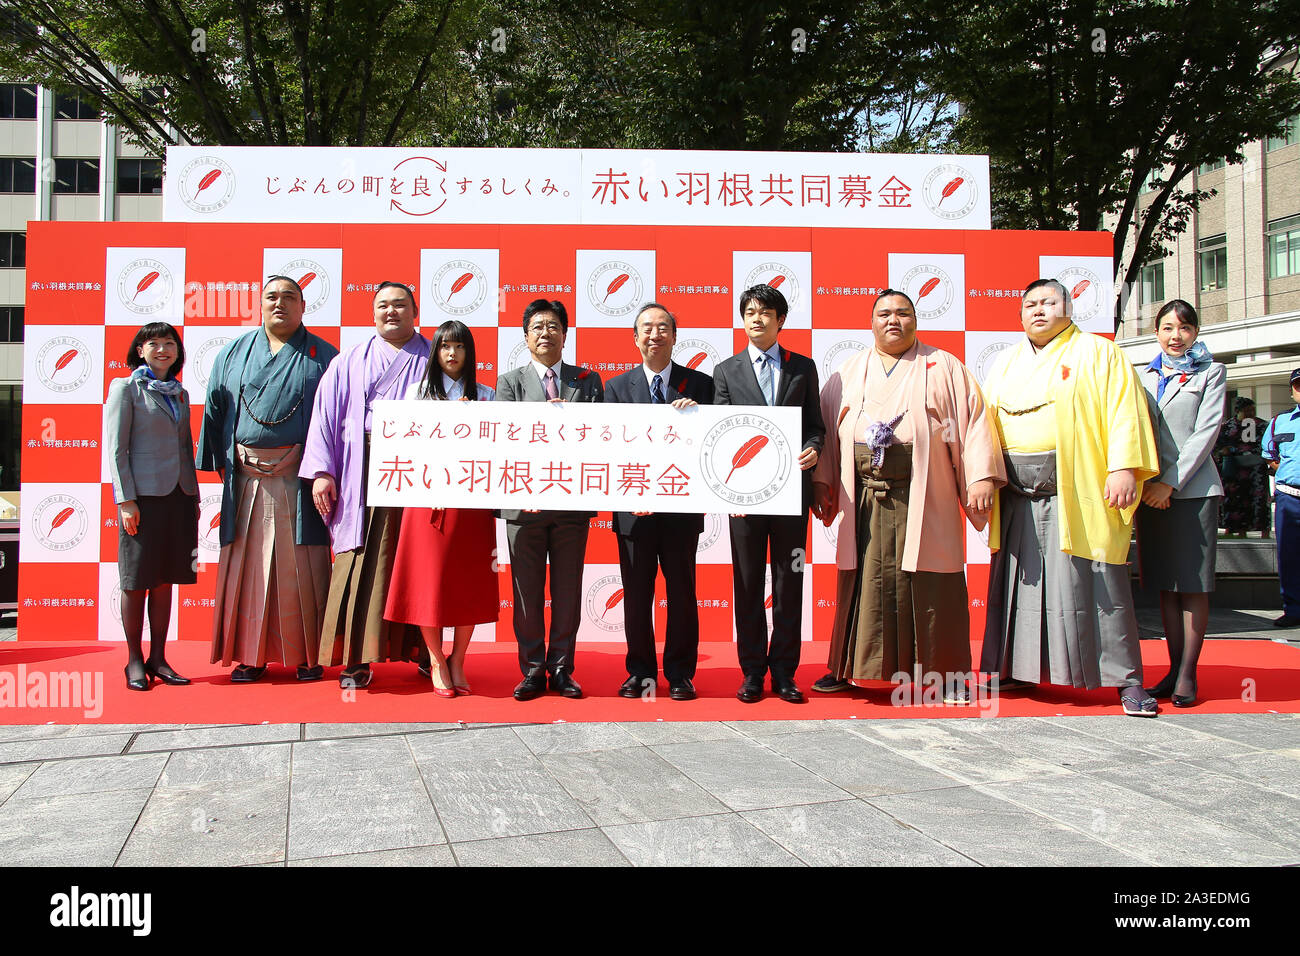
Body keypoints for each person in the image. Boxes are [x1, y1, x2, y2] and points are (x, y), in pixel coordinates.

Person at [811, 290, 1005, 704]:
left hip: (923, 493)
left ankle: (946, 677)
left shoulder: (943, 366)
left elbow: (972, 424)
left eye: (903, 313)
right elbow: (826, 432)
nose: (893, 320)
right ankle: (850, 668)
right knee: (861, 582)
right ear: (871, 321)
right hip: (863, 499)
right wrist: (823, 483)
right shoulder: (848, 371)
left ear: (916, 320)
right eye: (884, 313)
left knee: (932, 583)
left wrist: (980, 478)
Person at [979, 279, 1161, 716]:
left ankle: (1126, 680)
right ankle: (1013, 668)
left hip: (1079, 489)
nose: (1038, 310)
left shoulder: (1100, 353)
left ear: (1069, 306)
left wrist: (1123, 467)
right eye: (1030, 304)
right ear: (1020, 315)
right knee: (1020, 580)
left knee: (1097, 580)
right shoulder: (1005, 362)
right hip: (1017, 494)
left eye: (1048, 302)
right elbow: (982, 423)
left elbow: (1125, 413)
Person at [198, 276, 339, 682]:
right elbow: (216, 409)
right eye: (271, 297)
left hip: (301, 479)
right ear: (260, 304)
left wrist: (326, 471)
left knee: (303, 568)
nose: (280, 304)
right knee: (249, 566)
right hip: (245, 476)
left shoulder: (323, 356)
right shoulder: (233, 353)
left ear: (303, 305)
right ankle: (250, 654)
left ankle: (308, 655)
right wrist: (222, 462)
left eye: (289, 298)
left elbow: (336, 419)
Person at [301, 281, 431, 689]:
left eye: (399, 305)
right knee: (359, 560)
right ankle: (355, 660)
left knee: (418, 559)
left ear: (415, 311)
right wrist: (323, 471)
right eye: (383, 306)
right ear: (373, 313)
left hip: (420, 471)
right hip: (363, 466)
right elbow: (324, 415)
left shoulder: (435, 356)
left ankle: (426, 652)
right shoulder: (350, 360)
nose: (391, 312)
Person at [713, 283, 825, 704]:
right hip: (743, 500)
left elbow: (816, 424)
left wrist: (814, 448)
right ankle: (752, 673)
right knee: (746, 584)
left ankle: (784, 674)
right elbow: (719, 436)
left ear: (780, 321)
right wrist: (727, 493)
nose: (756, 319)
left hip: (792, 495)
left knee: (788, 581)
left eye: (765, 312)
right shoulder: (725, 371)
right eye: (750, 312)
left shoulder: (803, 368)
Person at [603, 303, 713, 701]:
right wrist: (628, 495)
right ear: (635, 338)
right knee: (636, 593)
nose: (655, 334)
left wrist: (698, 416)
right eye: (646, 328)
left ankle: (681, 674)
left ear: (674, 336)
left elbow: (714, 443)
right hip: (634, 512)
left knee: (682, 592)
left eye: (663, 327)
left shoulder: (700, 385)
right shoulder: (614, 388)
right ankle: (640, 673)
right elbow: (608, 449)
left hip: (681, 510)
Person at [495, 299, 604, 701]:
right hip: (523, 506)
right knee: (525, 592)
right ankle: (531, 670)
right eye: (537, 326)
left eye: (553, 325)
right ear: (525, 336)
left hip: (571, 505)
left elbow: (601, 435)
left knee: (568, 590)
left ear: (565, 333)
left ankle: (561, 669)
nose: (545, 332)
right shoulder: (508, 383)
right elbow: (504, 436)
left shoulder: (587, 381)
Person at [384, 321, 498, 696]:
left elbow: (498, 452)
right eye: (445, 347)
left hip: (471, 503)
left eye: (460, 347)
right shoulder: (417, 396)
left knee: (469, 580)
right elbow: (403, 449)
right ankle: (435, 658)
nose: (452, 354)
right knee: (428, 581)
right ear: (435, 352)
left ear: (470, 353)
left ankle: (459, 658)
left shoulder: (486, 396)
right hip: (426, 500)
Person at [1136, 300, 1226, 708]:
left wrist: (1169, 483)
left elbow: (1205, 433)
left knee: (1192, 584)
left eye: (1185, 328)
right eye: (1168, 328)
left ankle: (1188, 672)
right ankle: (1172, 669)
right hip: (1148, 491)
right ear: (1156, 331)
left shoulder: (1211, 372)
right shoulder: (1141, 374)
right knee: (1166, 586)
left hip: (1192, 491)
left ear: (1196, 331)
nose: (1176, 336)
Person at [106, 322, 199, 691]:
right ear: (140, 350)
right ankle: (133, 660)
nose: (163, 350)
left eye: (169, 344)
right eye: (154, 344)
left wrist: (192, 496)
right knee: (136, 580)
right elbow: (116, 448)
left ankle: (158, 659)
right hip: (142, 498)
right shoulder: (125, 388)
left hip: (179, 495)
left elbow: (183, 448)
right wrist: (125, 500)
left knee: (165, 579)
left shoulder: (180, 393)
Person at [1262, 369, 1300, 627]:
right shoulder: (1279, 422)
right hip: (1290, 498)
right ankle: (1294, 610)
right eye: (1298, 386)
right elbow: (1271, 457)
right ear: (1292, 391)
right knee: (1289, 556)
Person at [1215, 397, 1271, 537]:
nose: (1251, 413)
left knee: (1259, 501)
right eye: (1247, 411)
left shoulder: (1262, 425)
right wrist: (1225, 451)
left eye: (1253, 410)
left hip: (1256, 470)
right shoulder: (1226, 427)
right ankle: (1236, 531)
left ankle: (1264, 531)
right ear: (1237, 411)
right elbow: (1217, 447)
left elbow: (1269, 445)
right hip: (1234, 471)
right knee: (1235, 500)